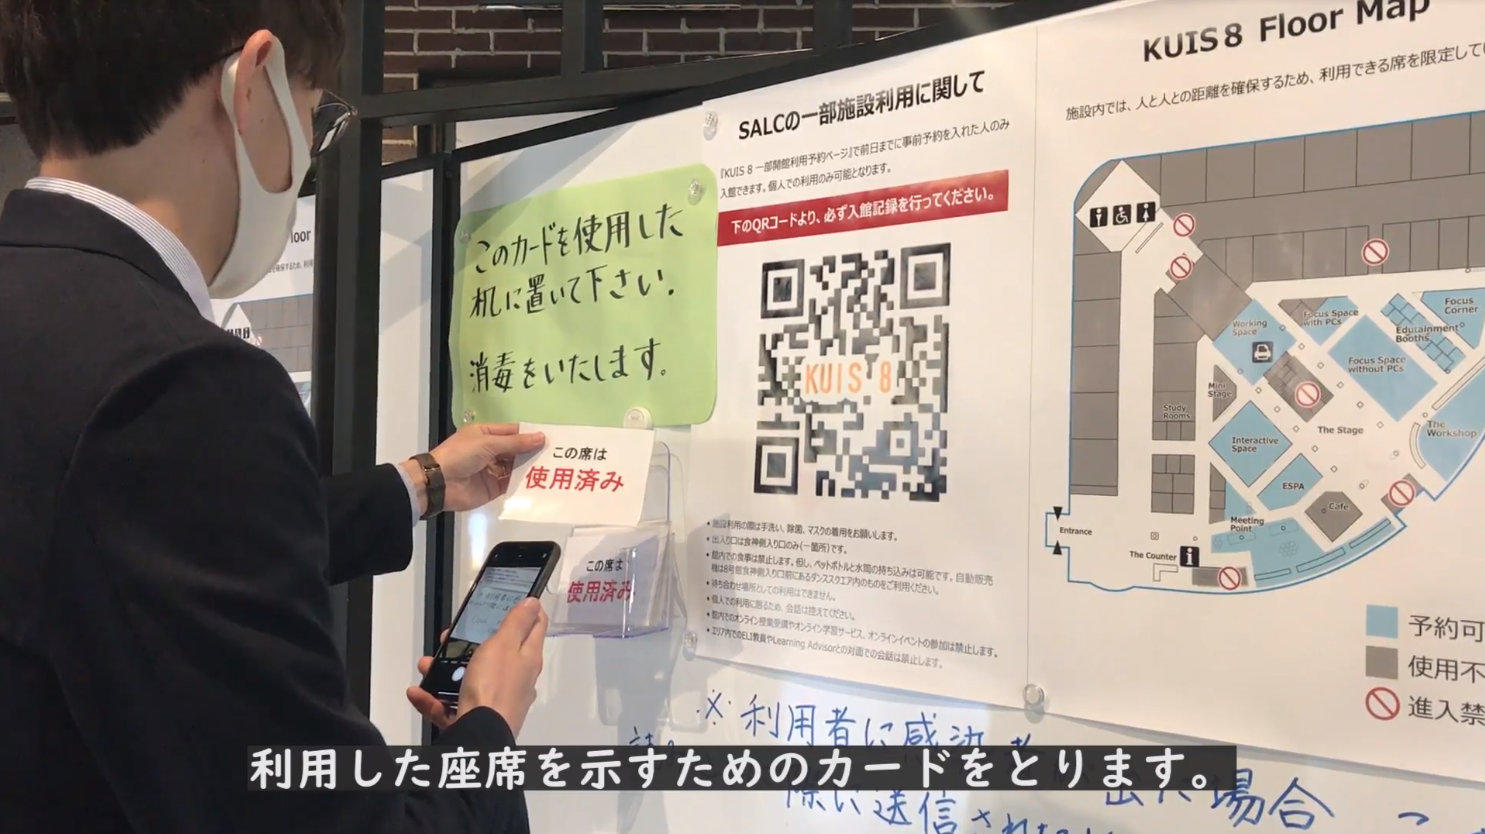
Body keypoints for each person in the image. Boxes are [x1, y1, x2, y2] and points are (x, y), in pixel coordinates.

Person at [0, 3, 547, 831]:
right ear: (252, 84)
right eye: (316, 113)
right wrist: (488, 726)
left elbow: (104, 541)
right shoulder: (181, 381)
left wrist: (421, 483)